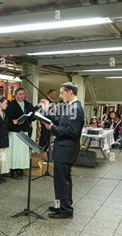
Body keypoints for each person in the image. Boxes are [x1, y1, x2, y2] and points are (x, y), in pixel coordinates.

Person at [40, 82, 84, 219]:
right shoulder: (71, 106)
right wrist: (47, 112)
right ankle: (60, 205)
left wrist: (51, 128)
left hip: (67, 150)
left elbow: (71, 131)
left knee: (63, 181)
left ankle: (66, 210)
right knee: (59, 180)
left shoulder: (76, 108)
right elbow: (60, 123)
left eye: (62, 92)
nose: (60, 95)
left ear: (70, 92)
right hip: (63, 149)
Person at [6, 87, 34, 180]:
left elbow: (32, 117)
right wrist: (15, 121)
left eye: (23, 94)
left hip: (25, 130)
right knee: (15, 152)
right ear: (15, 95)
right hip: (15, 131)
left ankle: (20, 169)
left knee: (22, 152)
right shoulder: (11, 105)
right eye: (20, 94)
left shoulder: (28, 105)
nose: (22, 96)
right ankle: (14, 170)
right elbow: (8, 119)